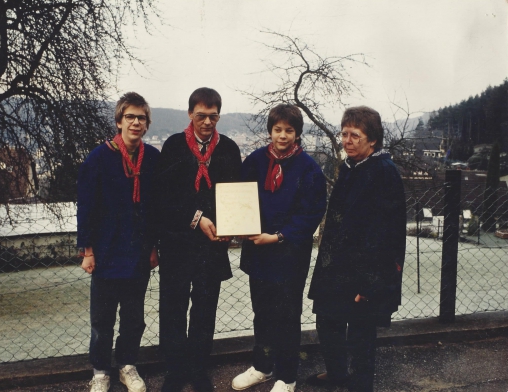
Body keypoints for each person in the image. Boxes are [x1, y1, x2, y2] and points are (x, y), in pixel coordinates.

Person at [306, 106, 406, 392]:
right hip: (337, 268)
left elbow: (388, 236)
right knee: (327, 319)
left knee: (361, 332)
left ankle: (361, 385)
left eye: (355, 135)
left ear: (372, 140)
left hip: (364, 272)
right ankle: (337, 373)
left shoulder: (384, 173)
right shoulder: (351, 166)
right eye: (344, 133)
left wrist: (370, 284)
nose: (347, 141)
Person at [231, 104, 327, 392]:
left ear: (297, 133)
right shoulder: (256, 160)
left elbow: (311, 213)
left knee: (287, 316)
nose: (282, 135)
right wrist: (239, 227)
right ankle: (262, 366)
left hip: (289, 254)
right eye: (277, 130)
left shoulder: (308, 167)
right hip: (258, 252)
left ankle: (287, 376)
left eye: (289, 130)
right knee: (262, 312)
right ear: (270, 130)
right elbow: (239, 197)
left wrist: (279, 236)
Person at [153, 87, 242, 392]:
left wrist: (231, 225)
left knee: (205, 308)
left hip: (212, 243)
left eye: (213, 116)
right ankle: (175, 369)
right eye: (201, 115)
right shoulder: (174, 146)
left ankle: (199, 367)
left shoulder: (229, 148)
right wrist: (196, 218)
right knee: (173, 306)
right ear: (190, 113)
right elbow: (164, 197)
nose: (207, 122)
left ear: (219, 115)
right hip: (178, 239)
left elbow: (236, 195)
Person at [77, 92, 160, 392]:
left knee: (134, 318)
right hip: (106, 250)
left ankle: (127, 365)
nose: (136, 122)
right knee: (102, 320)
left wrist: (153, 246)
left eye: (141, 118)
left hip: (137, 252)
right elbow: (85, 206)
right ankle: (101, 370)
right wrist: (87, 250)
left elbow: (154, 207)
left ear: (147, 124)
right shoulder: (99, 157)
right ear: (119, 120)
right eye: (130, 117)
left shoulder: (152, 158)